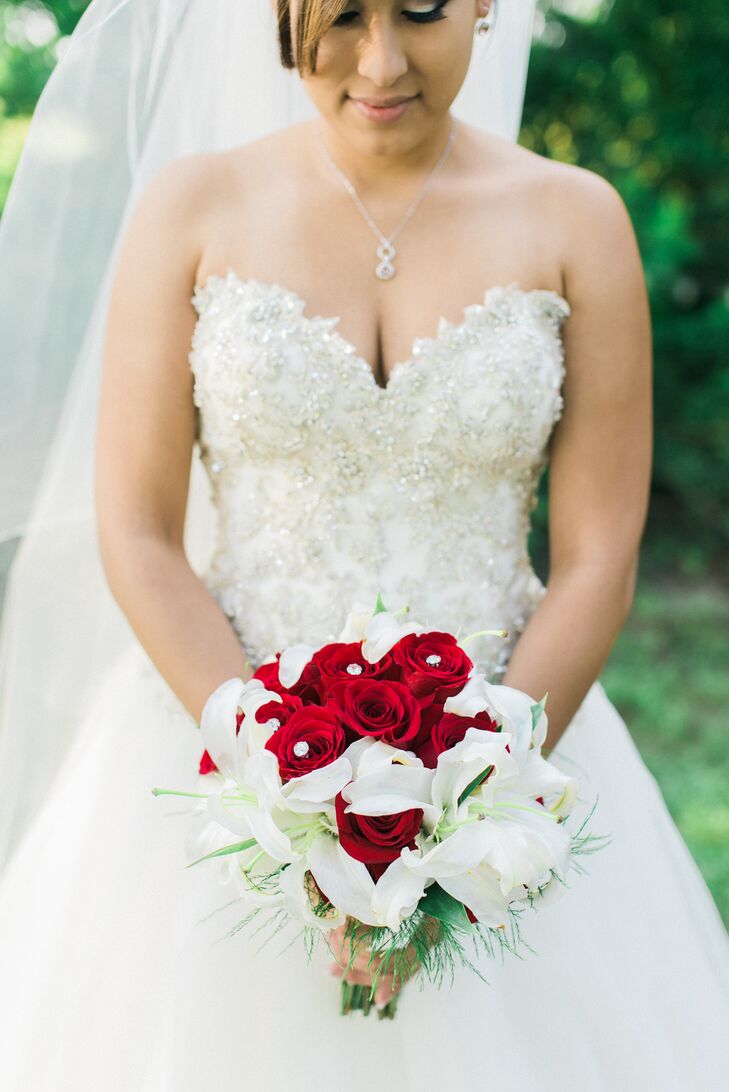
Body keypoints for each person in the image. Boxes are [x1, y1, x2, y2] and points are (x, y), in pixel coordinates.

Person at [0, 1, 727, 1088]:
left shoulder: (577, 219)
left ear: (486, 3)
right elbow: (139, 534)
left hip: (515, 740)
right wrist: (284, 803)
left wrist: (473, 805)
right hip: (218, 748)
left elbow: (597, 560)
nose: (381, 61)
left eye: (423, 10)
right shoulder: (192, 207)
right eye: (338, 16)